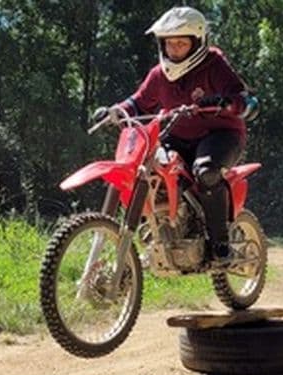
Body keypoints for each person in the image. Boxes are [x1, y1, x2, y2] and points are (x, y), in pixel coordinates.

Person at [94, 6, 259, 266]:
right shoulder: (159, 75)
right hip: (176, 136)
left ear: (197, 43)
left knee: (205, 172)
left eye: (181, 44)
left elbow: (244, 99)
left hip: (221, 135)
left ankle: (220, 245)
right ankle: (156, 238)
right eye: (170, 44)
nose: (174, 50)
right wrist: (116, 111)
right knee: (150, 171)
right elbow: (138, 102)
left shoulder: (214, 64)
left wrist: (229, 103)